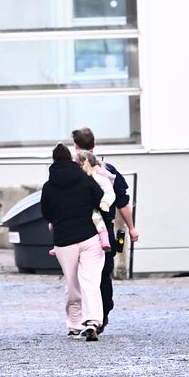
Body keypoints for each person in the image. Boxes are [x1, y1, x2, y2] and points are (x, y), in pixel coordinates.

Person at [71, 127, 138, 333]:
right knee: (103, 273)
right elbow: (123, 203)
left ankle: (85, 317)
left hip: (76, 230)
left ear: (75, 146)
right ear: (95, 144)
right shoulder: (108, 170)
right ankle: (103, 313)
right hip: (103, 232)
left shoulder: (70, 170)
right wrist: (132, 228)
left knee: (79, 275)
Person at [40, 143, 105, 341]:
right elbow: (99, 196)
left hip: (64, 240)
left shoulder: (49, 186)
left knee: (72, 282)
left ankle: (74, 325)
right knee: (91, 281)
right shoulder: (84, 179)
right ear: (70, 158)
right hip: (89, 235)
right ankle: (93, 321)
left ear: (53, 161)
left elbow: (46, 213)